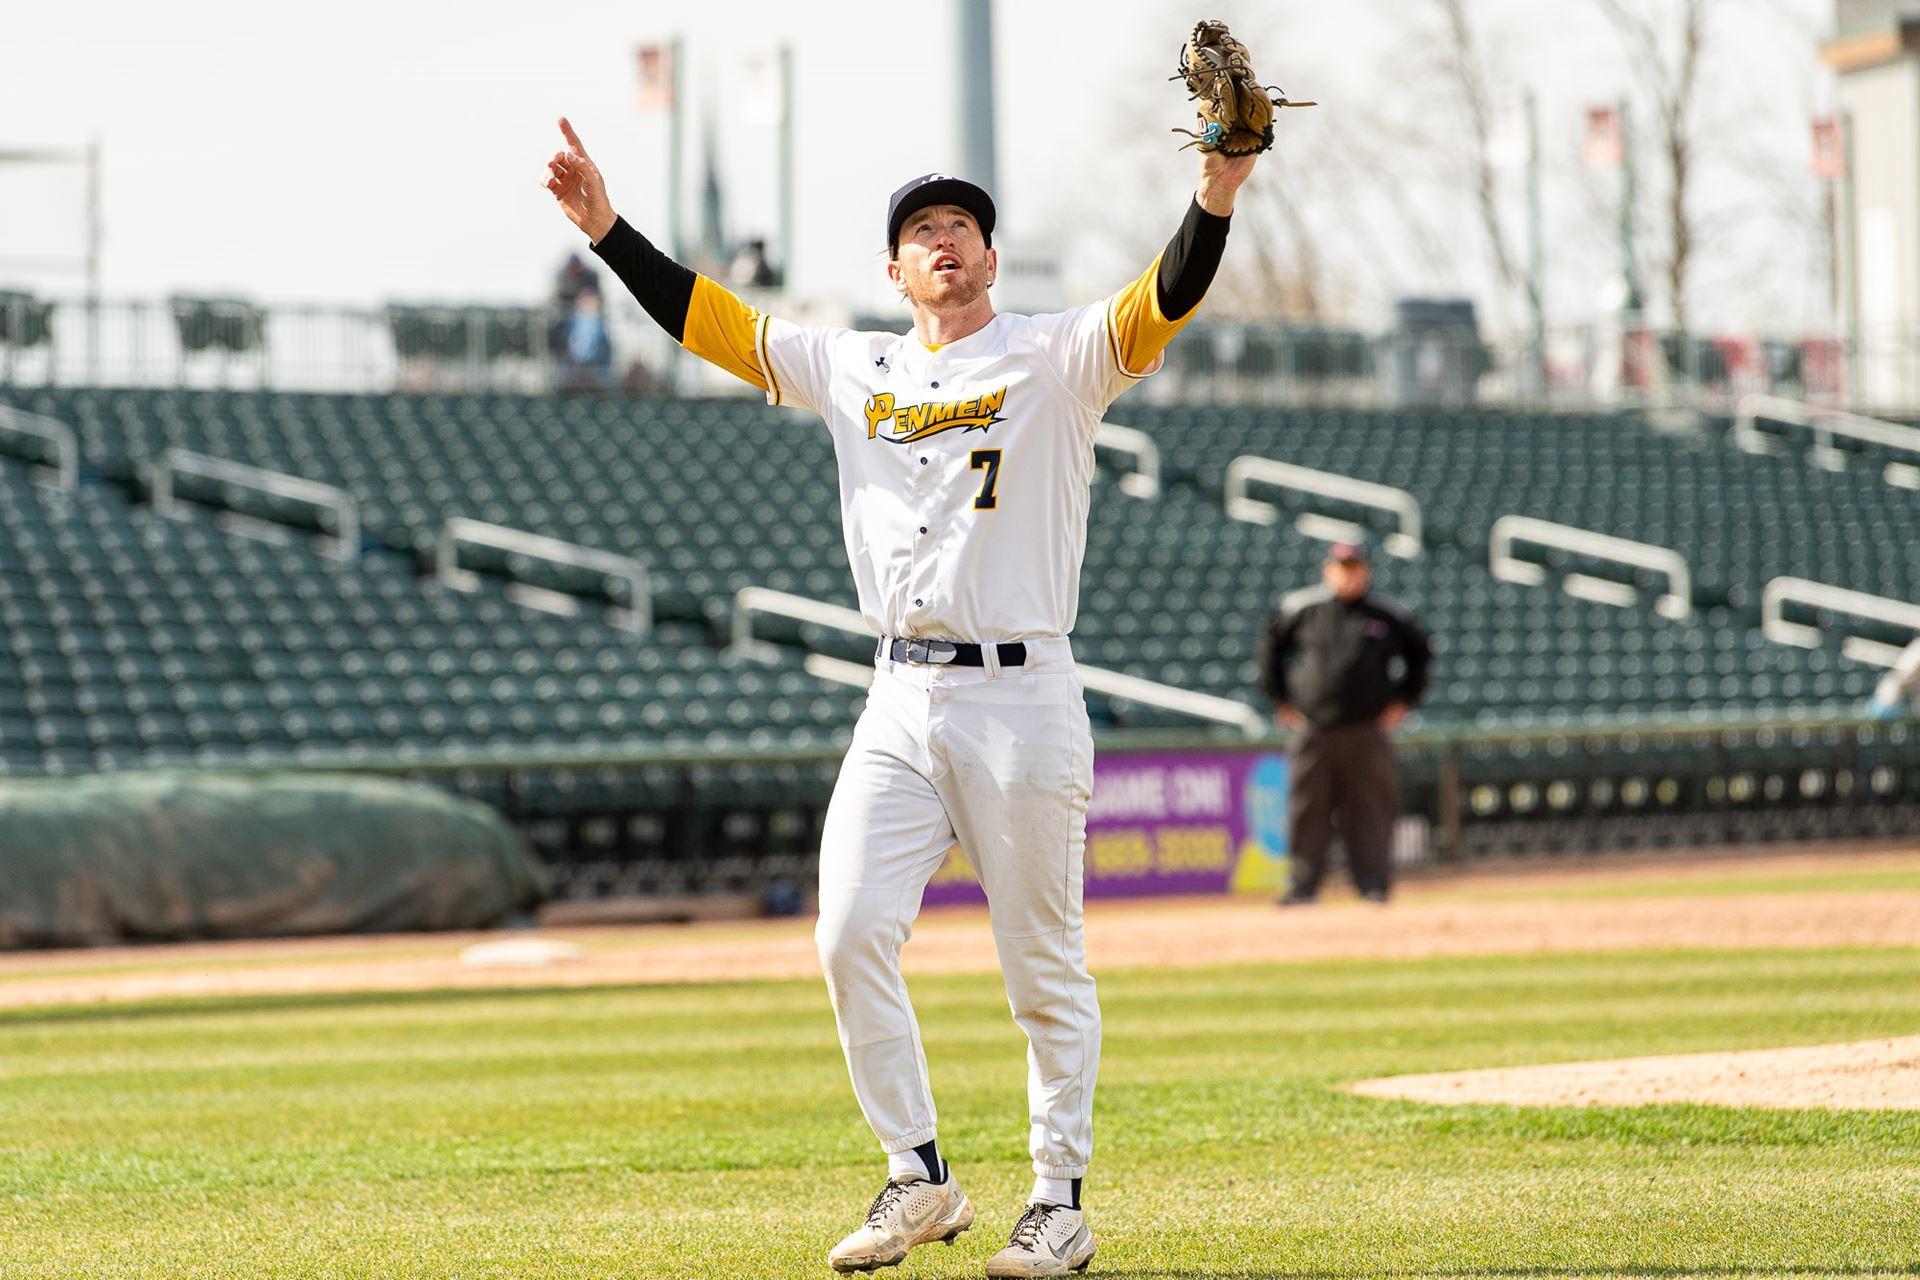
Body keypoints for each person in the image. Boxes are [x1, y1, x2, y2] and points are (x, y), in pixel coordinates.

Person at [544, 116, 1254, 1276]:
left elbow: (1160, 297)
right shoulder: (855, 365)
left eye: (964, 228)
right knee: (845, 930)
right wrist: (609, 231)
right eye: (923, 230)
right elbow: (713, 322)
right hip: (899, 692)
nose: (945, 242)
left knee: (1041, 960)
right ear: (893, 267)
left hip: (1022, 691)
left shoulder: (1054, 354)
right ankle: (918, 1176)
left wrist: (1215, 195)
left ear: (990, 256)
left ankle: (1058, 1196)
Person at [1258, 542, 1431, 906]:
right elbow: (1269, 650)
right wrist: (1281, 700)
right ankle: (1302, 886)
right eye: (1341, 567)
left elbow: (1421, 655)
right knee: (1307, 807)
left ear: (1365, 571)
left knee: (1370, 808)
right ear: (1328, 570)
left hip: (1367, 729)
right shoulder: (1302, 608)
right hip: (1313, 728)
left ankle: (1373, 885)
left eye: (1354, 567)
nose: (1348, 574)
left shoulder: (1387, 614)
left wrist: (1404, 701)